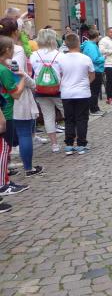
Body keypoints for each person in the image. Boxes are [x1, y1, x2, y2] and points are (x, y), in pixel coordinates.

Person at [0, 19, 42, 177]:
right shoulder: (16, 49)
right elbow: (18, 72)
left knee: (6, 135)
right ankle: (28, 168)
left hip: (6, 95)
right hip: (17, 93)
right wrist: (32, 83)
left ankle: (6, 167)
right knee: (24, 132)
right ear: (15, 31)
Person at [0, 36, 28, 197]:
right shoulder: (4, 70)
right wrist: (23, 78)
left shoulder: (4, 67)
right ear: (6, 50)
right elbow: (16, 94)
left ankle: (5, 180)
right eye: (12, 48)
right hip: (6, 113)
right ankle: (3, 184)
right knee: (5, 150)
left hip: (5, 111)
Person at [30, 29, 64, 152]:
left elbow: (32, 72)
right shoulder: (59, 54)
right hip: (58, 90)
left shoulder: (34, 55)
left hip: (40, 90)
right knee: (68, 114)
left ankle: (54, 144)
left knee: (48, 116)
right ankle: (73, 139)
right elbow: (63, 72)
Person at [60, 34, 94, 155]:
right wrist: (85, 83)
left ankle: (69, 145)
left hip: (66, 93)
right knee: (82, 119)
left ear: (66, 44)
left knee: (69, 119)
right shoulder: (86, 58)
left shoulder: (61, 58)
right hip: (82, 92)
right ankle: (81, 144)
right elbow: (92, 75)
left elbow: (59, 75)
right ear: (78, 43)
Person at [80, 30, 105, 115]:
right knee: (94, 91)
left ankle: (95, 108)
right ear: (96, 37)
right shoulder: (91, 46)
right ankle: (93, 109)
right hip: (95, 70)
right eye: (98, 36)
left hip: (93, 69)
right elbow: (94, 59)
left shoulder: (89, 44)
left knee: (94, 90)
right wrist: (103, 58)